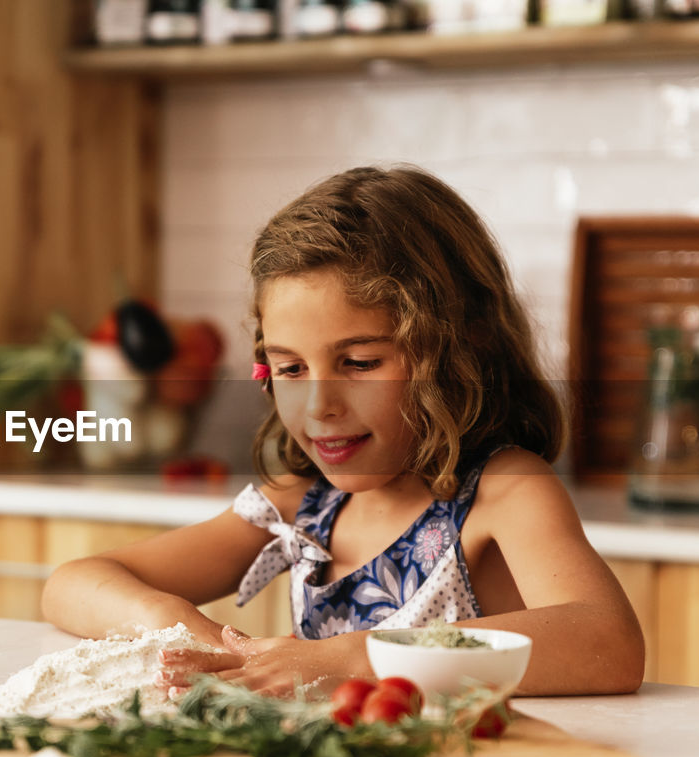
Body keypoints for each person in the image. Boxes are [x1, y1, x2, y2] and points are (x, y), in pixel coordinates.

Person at [41, 165, 645, 698]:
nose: (319, 405)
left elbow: (608, 642)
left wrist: (354, 657)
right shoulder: (302, 502)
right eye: (290, 368)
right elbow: (71, 583)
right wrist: (182, 630)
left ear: (460, 348)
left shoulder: (505, 492)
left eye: (360, 363)